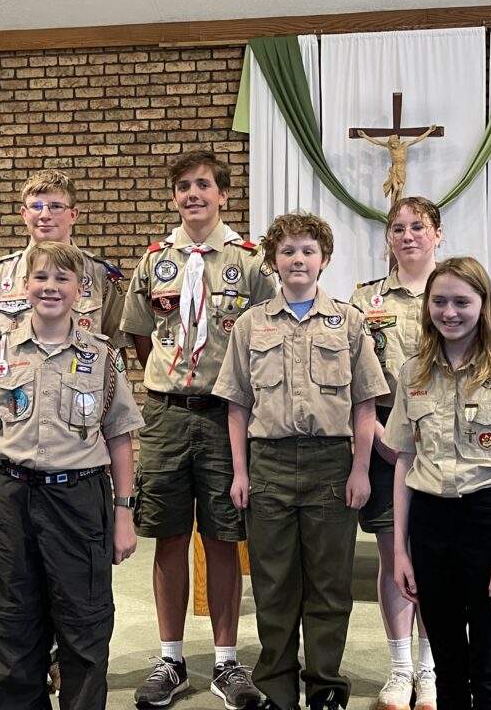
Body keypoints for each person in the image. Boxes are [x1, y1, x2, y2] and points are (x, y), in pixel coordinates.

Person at [120, 151, 277, 710]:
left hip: (223, 413)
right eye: (183, 186)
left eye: (203, 185)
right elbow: (141, 336)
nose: (193, 195)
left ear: (223, 196)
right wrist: (171, 375)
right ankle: (170, 657)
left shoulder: (251, 263)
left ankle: (227, 662)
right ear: (174, 197)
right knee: (165, 533)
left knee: (222, 535)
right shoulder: (155, 261)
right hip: (165, 411)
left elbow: (269, 334)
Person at [213, 212, 389, 710]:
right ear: (272, 261)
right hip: (268, 464)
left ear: (324, 260)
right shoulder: (251, 324)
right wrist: (240, 472)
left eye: (308, 251)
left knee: (330, 584)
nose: (297, 259)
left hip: (331, 465)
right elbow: (237, 403)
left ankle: (326, 685)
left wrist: (359, 469)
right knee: (273, 584)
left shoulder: (349, 321)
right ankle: (276, 685)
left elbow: (365, 402)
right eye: (287, 251)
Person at [0, 241, 144, 710]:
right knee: (15, 623)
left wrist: (124, 514)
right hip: (12, 498)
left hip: (80, 500)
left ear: (80, 290)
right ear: (26, 287)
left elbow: (121, 437)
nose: (50, 288)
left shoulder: (102, 357)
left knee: (85, 625)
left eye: (62, 279)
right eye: (41, 278)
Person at [384, 257, 491, 710]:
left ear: (483, 306)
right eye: (439, 301)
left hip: (487, 517)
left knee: (486, 657)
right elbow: (405, 460)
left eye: (462, 301)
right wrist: (402, 551)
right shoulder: (413, 372)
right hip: (429, 520)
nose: (449, 312)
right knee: (445, 660)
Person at [348, 197, 442, 710]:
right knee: (393, 554)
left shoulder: (453, 291)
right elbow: (354, 374)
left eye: (418, 227)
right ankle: (399, 667)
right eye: (398, 228)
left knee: (432, 556)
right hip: (384, 438)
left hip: (442, 445)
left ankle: (429, 670)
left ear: (437, 234)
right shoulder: (366, 300)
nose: (408, 236)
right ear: (388, 238)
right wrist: (378, 434)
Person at [0, 168, 128, 372]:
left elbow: (116, 352)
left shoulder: (101, 276)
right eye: (36, 206)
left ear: (73, 214)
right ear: (24, 214)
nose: (45, 215)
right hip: (14, 398)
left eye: (56, 206)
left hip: (82, 397)